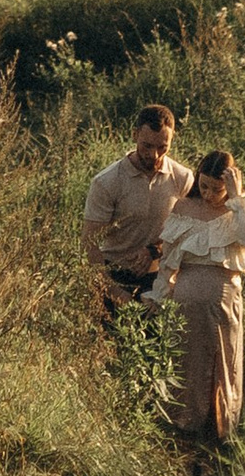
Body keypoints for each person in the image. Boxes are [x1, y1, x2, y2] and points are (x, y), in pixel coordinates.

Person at [150, 149, 245, 446]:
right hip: (185, 301)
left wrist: (236, 197)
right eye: (204, 186)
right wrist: (161, 296)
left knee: (221, 360)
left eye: (216, 189)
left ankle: (219, 431)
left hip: (222, 301)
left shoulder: (241, 211)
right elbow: (168, 262)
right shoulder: (183, 207)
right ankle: (182, 426)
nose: (209, 194)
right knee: (187, 362)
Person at [82, 104, 192, 327]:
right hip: (115, 277)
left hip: (161, 281)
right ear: (134, 136)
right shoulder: (107, 182)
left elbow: (192, 232)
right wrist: (113, 292)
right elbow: (88, 243)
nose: (154, 155)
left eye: (163, 147)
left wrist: (154, 251)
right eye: (146, 145)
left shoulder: (182, 178)